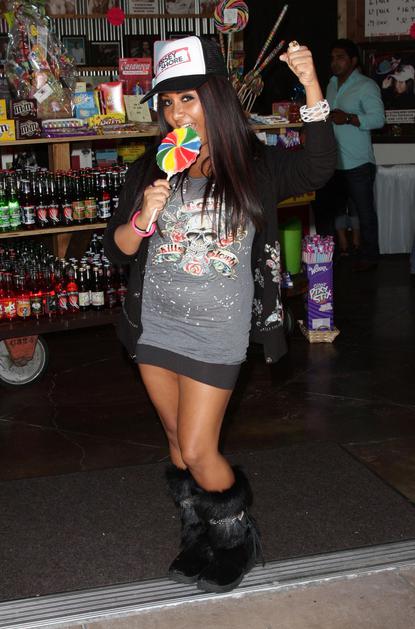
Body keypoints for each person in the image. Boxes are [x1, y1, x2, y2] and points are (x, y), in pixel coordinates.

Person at [103, 36, 336, 593]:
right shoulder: (153, 167)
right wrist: (143, 217)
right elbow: (116, 251)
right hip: (155, 323)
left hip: (217, 332)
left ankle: (236, 539)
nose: (176, 113)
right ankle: (199, 533)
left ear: (216, 98)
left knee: (199, 448)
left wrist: (310, 86)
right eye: (167, 102)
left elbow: (319, 167)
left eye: (188, 99)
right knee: (176, 442)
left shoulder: (254, 167)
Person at [315, 38, 385, 271]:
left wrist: (348, 118)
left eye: (340, 57)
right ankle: (327, 257)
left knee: (364, 214)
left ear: (353, 61)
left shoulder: (366, 85)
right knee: (327, 212)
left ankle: (370, 257)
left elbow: (378, 119)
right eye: (332, 58)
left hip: (358, 163)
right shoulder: (331, 84)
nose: (334, 62)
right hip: (333, 162)